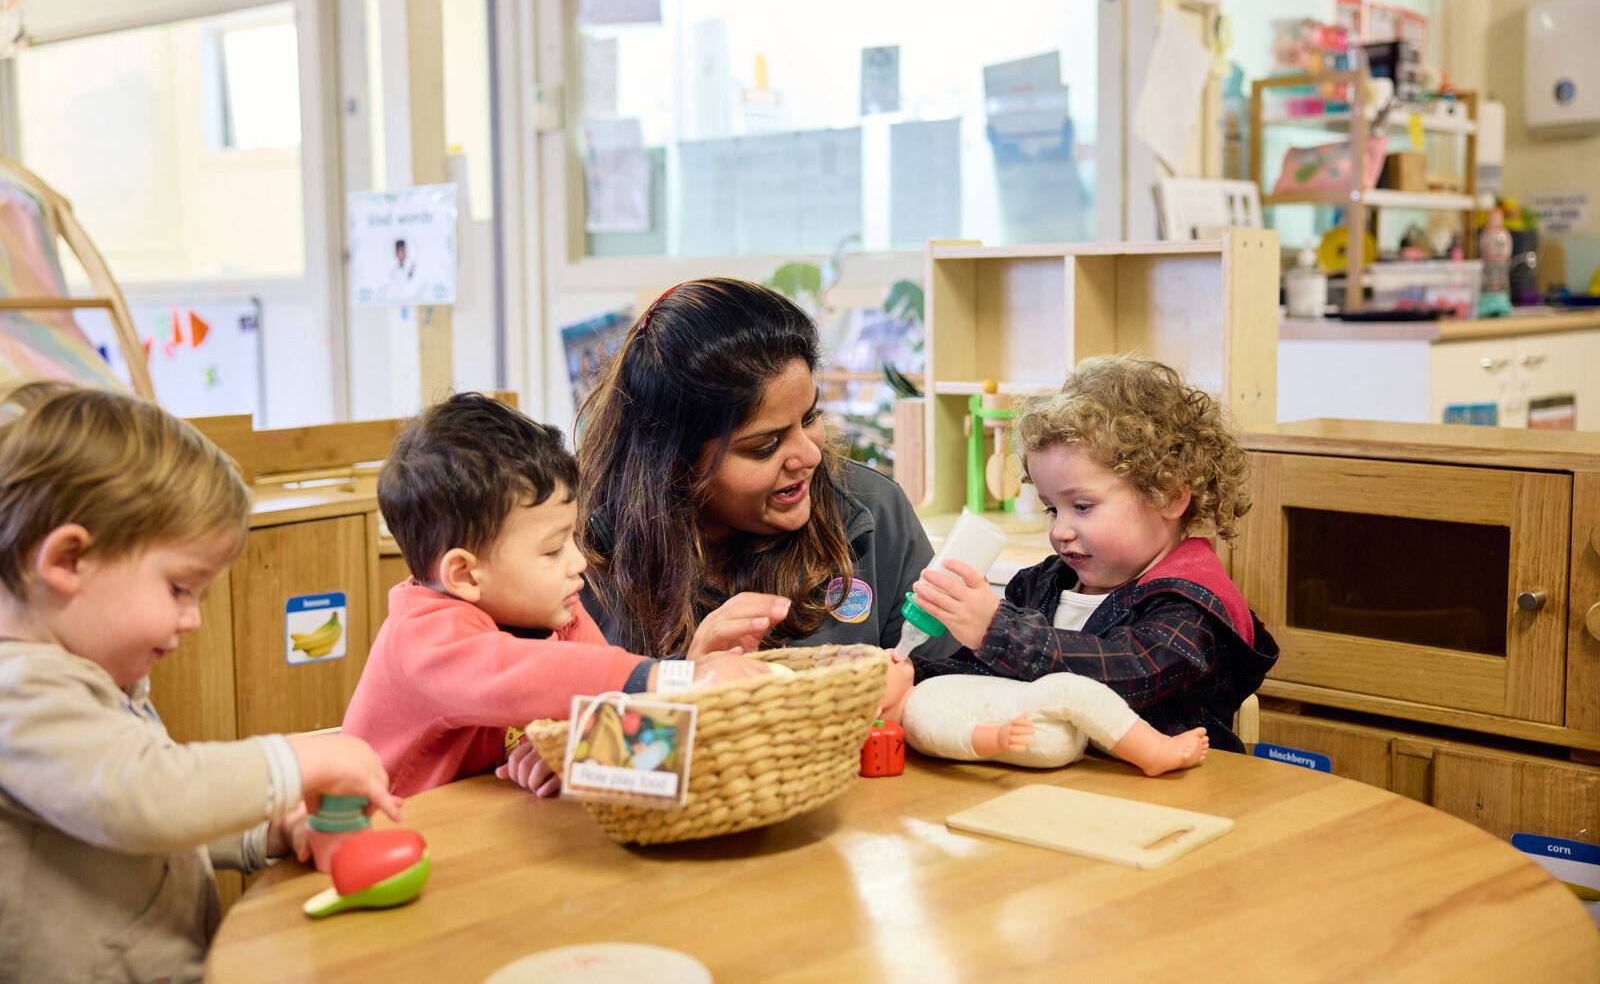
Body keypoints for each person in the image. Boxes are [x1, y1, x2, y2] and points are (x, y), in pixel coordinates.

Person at [0, 381, 399, 983]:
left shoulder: (88, 680)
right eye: (179, 588)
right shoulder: (20, 691)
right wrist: (291, 762)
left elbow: (157, 817)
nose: (192, 618)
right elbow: (141, 798)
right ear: (67, 561)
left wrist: (274, 825)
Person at [342, 393, 768, 799]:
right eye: (552, 549)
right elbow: (523, 679)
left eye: (572, 539)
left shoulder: (555, 611)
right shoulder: (422, 640)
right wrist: (677, 677)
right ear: (465, 573)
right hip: (388, 837)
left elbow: (608, 706)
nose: (578, 562)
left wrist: (574, 750)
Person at [905, 355, 1278, 751]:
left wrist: (996, 632)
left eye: (1082, 506)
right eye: (1052, 509)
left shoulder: (1192, 610)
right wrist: (911, 674)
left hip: (1167, 801)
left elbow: (1123, 674)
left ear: (1168, 496)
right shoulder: (1041, 585)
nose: (1060, 530)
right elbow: (980, 681)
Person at [576, 278, 958, 661]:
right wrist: (681, 682)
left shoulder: (873, 512)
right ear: (674, 463)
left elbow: (948, 687)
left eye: (810, 418)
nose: (808, 456)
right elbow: (569, 714)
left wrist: (905, 695)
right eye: (765, 447)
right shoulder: (578, 559)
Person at [878, 656, 1208, 776]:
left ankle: (1138, 750)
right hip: (1032, 730)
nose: (887, 653)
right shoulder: (918, 717)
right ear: (876, 707)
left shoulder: (922, 691)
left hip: (1040, 724)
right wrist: (994, 737)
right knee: (1068, 689)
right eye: (878, 665)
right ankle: (1154, 753)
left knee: (1095, 712)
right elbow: (951, 736)